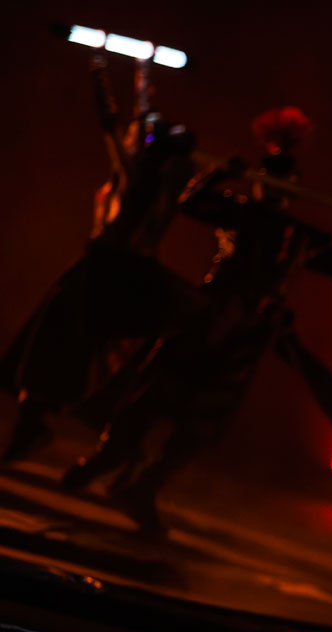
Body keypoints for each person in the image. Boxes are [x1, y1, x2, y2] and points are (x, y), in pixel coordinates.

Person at [60, 107, 332, 527]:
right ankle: (103, 461)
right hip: (205, 316)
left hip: (247, 336)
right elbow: (191, 203)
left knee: (203, 423)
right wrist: (220, 175)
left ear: (290, 189)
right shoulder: (236, 211)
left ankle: (144, 486)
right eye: (266, 180)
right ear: (259, 184)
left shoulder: (299, 236)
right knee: (150, 397)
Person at [1, 57, 200, 463]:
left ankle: (38, 426)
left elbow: (110, 120)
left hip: (103, 271)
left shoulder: (137, 177)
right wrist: (144, 73)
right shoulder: (162, 179)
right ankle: (33, 427)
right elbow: (141, 117)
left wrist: (97, 71)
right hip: (111, 271)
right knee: (56, 350)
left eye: (144, 136)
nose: (135, 134)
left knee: (53, 348)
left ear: (150, 148)